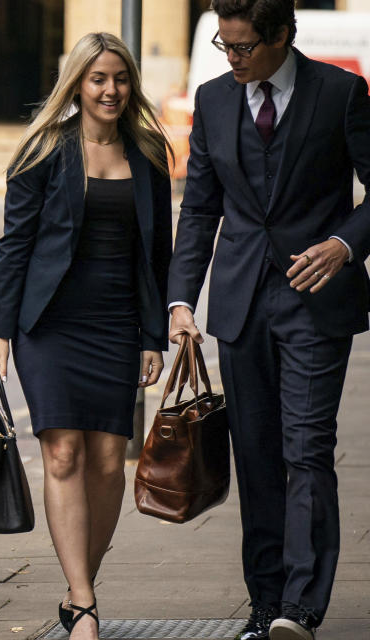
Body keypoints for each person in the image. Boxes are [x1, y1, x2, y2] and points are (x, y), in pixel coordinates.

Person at [167, 1, 370, 639]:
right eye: (224, 46)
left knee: (305, 448)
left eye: (244, 47)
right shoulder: (215, 99)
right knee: (255, 454)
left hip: (317, 298)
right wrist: (180, 301)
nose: (231, 59)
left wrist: (344, 246)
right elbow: (199, 209)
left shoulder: (341, 93)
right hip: (241, 303)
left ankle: (301, 608)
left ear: (283, 35)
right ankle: (266, 601)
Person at [0, 32, 172, 640]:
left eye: (119, 78)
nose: (110, 89)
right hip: (51, 325)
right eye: (98, 78)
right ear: (78, 85)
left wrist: (152, 335)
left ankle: (75, 584)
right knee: (63, 452)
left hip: (116, 325)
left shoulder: (147, 154)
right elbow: (13, 248)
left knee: (111, 464)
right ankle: (86, 604)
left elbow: (156, 256)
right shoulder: (43, 151)